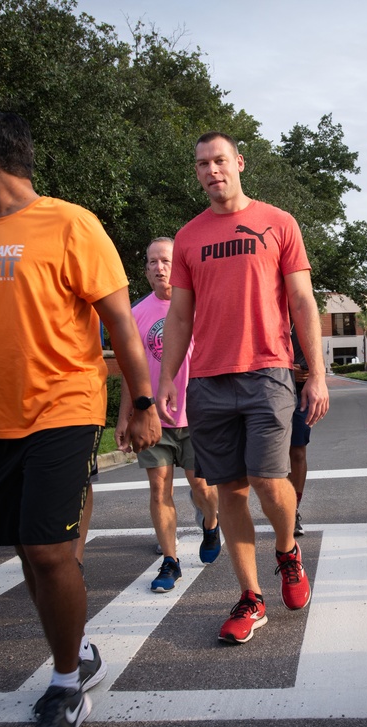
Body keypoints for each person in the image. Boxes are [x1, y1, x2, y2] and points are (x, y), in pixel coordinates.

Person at [0, 112, 160, 727]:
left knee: (48, 550)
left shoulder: (72, 223)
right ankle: (78, 654)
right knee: (25, 546)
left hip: (64, 406)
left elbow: (121, 322)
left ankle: (67, 680)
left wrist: (142, 400)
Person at [156, 131, 329, 645]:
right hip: (208, 379)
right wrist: (167, 376)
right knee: (226, 489)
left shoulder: (278, 223)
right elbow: (180, 314)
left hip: (268, 371)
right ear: (197, 173)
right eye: (202, 164)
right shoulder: (187, 237)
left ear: (239, 164)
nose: (212, 170)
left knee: (269, 478)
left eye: (220, 161)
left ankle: (286, 550)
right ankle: (252, 597)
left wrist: (316, 371)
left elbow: (302, 301)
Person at [115, 237, 221, 593]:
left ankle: (211, 522)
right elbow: (132, 370)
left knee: (201, 486)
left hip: (197, 417)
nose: (159, 268)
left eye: (165, 261)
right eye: (151, 262)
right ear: (145, 269)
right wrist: (124, 417)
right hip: (153, 419)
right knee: (159, 488)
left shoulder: (200, 307)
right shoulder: (135, 314)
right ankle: (170, 562)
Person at [289, 325, 311, 538]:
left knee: (297, 451)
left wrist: (315, 376)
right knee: (275, 454)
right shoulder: (264, 307)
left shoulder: (302, 313)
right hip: (268, 386)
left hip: (299, 392)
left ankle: (293, 509)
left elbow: (315, 356)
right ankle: (282, 504)